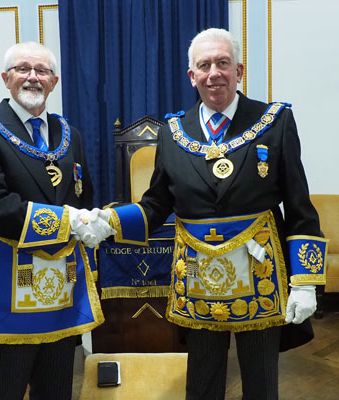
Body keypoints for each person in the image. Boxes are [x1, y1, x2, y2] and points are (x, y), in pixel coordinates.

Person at [88, 28, 328, 399]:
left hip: (260, 278)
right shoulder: (172, 131)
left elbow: (299, 206)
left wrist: (306, 281)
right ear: (192, 76)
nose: (213, 72)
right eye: (204, 65)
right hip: (198, 282)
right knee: (201, 381)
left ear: (239, 70)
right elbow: (156, 205)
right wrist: (110, 223)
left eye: (222, 63)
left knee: (262, 384)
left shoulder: (274, 121)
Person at [0, 42, 113, 399]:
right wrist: (66, 220)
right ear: (6, 78)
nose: (32, 77)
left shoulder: (68, 133)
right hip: (7, 280)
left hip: (60, 282)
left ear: (54, 81)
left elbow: (81, 195)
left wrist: (89, 220)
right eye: (23, 69)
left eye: (41, 71)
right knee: (7, 388)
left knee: (57, 387)